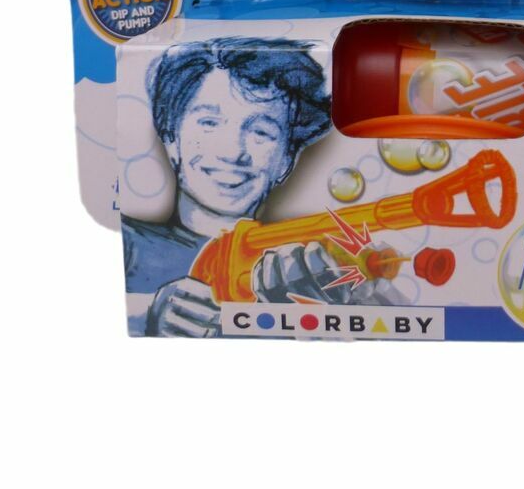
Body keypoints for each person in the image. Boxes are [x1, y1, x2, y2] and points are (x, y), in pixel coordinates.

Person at [122, 36, 397, 337]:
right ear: (170, 138)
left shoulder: (308, 263)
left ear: (286, 161)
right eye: (209, 123)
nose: (233, 152)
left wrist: (358, 302)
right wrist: (147, 315)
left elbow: (409, 325)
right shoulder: (128, 244)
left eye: (261, 132)